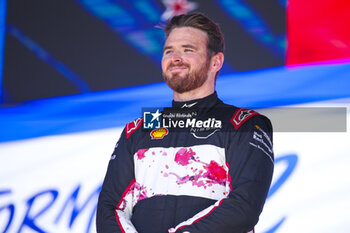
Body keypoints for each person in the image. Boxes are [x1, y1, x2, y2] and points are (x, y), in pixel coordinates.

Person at [96, 12, 274, 233]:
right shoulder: (138, 129)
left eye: (188, 50)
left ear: (215, 62)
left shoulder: (245, 124)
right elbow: (110, 208)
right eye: (169, 51)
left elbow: (244, 205)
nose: (175, 58)